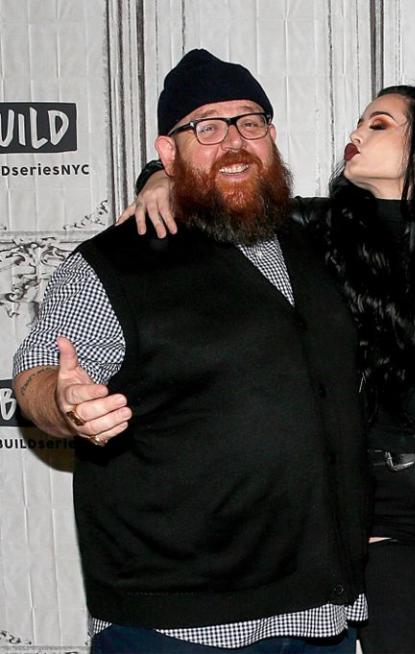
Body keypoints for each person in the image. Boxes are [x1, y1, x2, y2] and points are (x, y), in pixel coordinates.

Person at [13, 49, 368, 653]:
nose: (233, 141)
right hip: (176, 622)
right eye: (206, 127)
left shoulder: (313, 242)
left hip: (317, 614)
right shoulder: (117, 263)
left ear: (272, 137)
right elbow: (40, 373)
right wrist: (66, 403)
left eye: (249, 123)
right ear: (169, 152)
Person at [123, 81, 415, 654]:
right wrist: (159, 177)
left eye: (379, 124)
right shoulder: (310, 231)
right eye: (358, 122)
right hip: (377, 498)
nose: (354, 135)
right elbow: (226, 194)